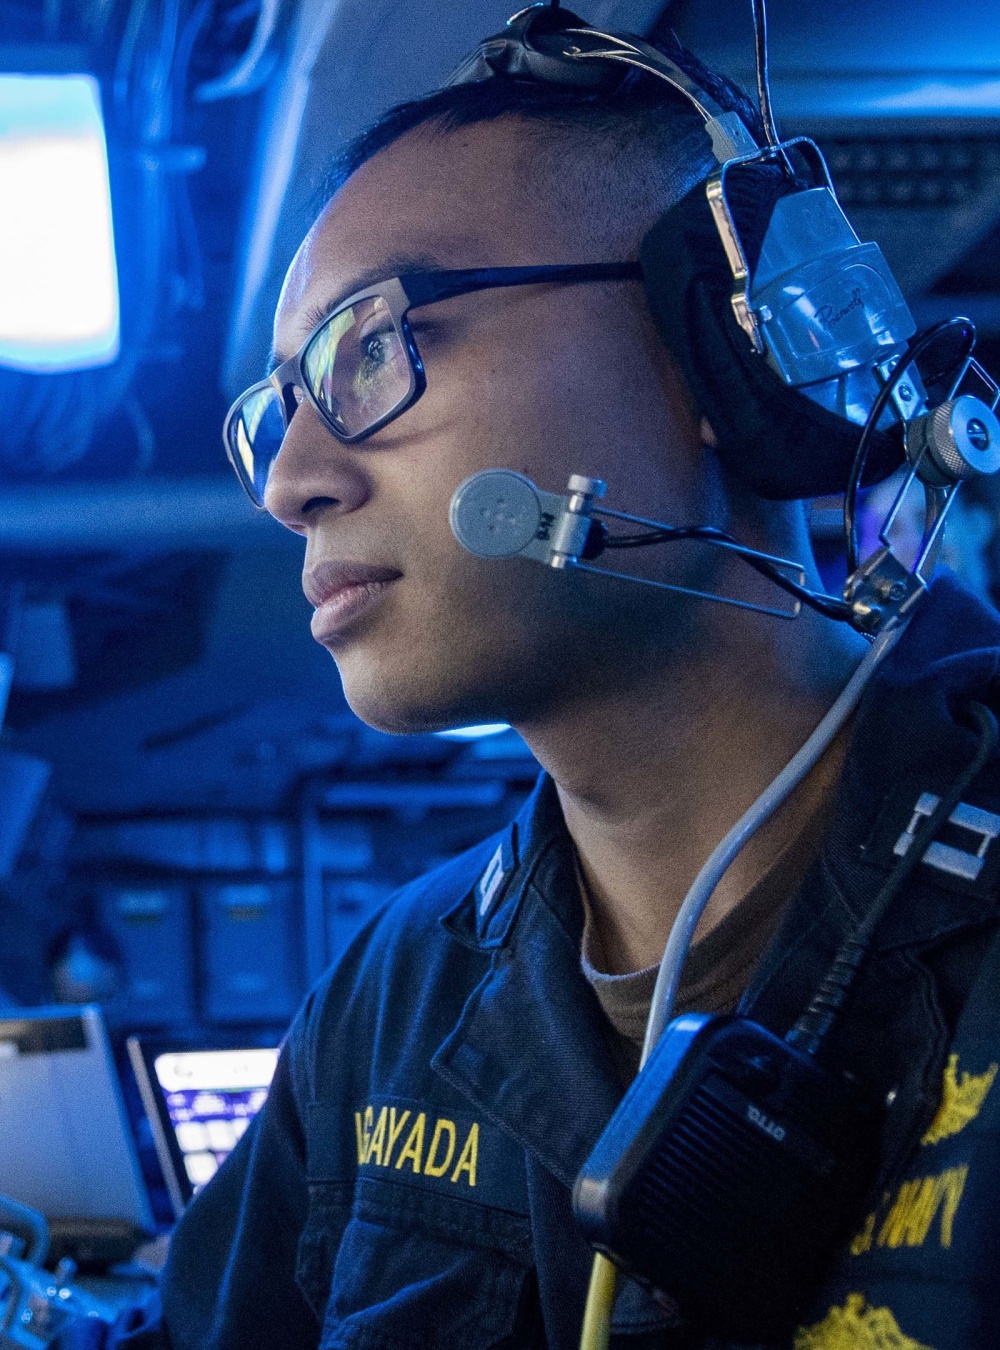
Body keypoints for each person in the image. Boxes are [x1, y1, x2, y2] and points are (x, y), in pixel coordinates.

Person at [63, 13, 1000, 1350]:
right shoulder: (388, 996)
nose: (290, 483)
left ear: (721, 350)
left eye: (368, 348)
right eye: (281, 407)